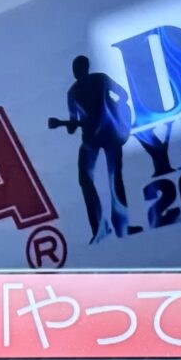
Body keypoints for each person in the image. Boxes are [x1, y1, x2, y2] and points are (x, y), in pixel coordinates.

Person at [65, 55, 137, 243]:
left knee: (115, 177)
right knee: (85, 179)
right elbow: (73, 124)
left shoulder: (100, 79)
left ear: (85, 68)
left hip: (110, 133)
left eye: (79, 68)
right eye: (75, 69)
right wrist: (68, 125)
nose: (77, 72)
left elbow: (123, 95)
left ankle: (122, 225)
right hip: (91, 139)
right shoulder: (73, 92)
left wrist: (113, 108)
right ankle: (99, 228)